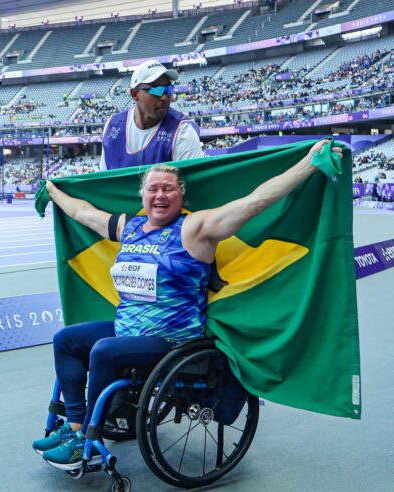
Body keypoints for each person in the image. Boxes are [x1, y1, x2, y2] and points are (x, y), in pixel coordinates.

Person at [33, 140, 343, 469]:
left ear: (181, 195)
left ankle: (86, 442)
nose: (160, 195)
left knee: (103, 350)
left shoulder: (195, 229)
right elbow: (83, 212)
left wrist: (308, 164)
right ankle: (75, 427)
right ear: (143, 196)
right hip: (128, 329)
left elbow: (256, 201)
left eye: (168, 188)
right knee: (65, 339)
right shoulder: (130, 227)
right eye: (153, 189)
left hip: (170, 339)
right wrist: (52, 191)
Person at [100, 60, 204, 171]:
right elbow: (103, 180)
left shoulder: (183, 131)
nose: (164, 97)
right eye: (156, 90)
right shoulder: (113, 125)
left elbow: (195, 184)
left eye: (168, 89)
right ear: (135, 94)